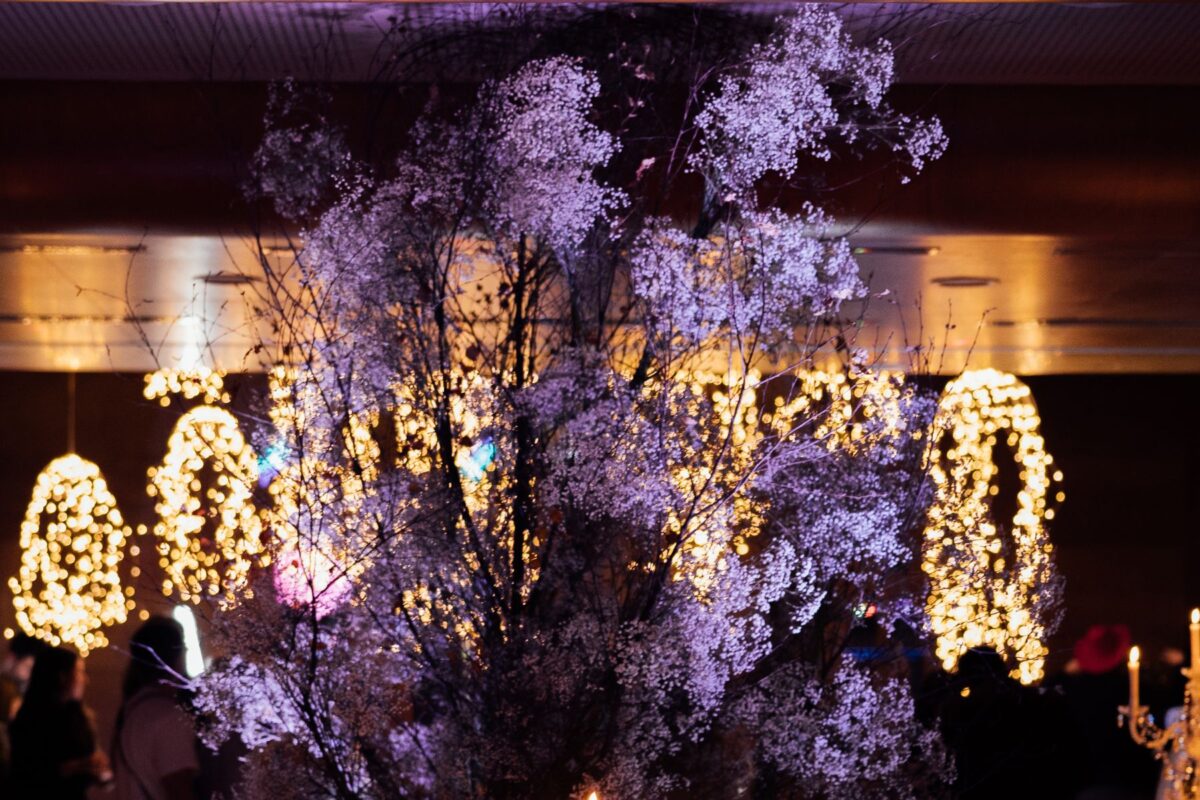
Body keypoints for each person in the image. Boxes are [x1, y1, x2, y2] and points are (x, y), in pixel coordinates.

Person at [113, 616, 199, 800]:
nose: (187, 650)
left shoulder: (133, 711)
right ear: (174, 655)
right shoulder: (168, 717)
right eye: (183, 646)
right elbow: (179, 788)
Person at [8, 645, 111, 800]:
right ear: (62, 677)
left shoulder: (77, 715)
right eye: (79, 672)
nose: (85, 680)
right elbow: (30, 771)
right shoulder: (33, 719)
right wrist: (80, 766)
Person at [0, 633, 44, 790]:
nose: (30, 675)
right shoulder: (7, 691)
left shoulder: (17, 691)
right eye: (28, 667)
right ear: (12, 658)